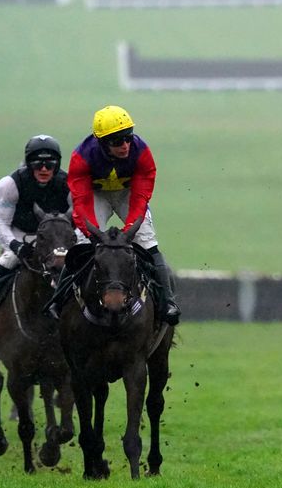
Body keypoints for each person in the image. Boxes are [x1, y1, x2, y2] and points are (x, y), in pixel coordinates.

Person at [43, 105, 180, 325]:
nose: (125, 145)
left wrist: (129, 230)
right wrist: (93, 234)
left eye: (128, 137)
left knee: (147, 242)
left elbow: (141, 195)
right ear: (102, 143)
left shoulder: (142, 152)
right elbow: (81, 201)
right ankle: (59, 301)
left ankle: (168, 302)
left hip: (128, 194)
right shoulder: (81, 157)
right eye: (117, 141)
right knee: (81, 243)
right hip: (96, 195)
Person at [0, 135, 74, 304]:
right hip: (21, 234)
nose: (43, 169)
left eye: (50, 164)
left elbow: (81, 220)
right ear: (28, 163)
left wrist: (72, 243)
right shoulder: (10, 184)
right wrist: (15, 246)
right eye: (37, 164)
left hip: (58, 237)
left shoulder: (69, 184)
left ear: (58, 164)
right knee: (10, 258)